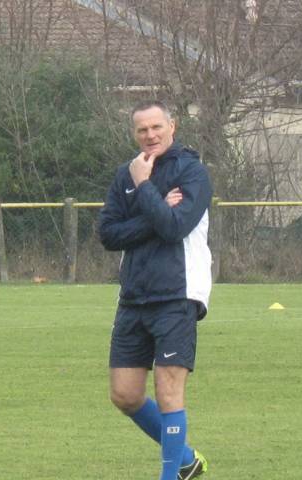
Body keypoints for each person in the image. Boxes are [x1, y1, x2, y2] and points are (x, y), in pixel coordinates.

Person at [99, 100, 213, 479]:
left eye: (156, 128)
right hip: (133, 297)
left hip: (178, 296)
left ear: (172, 127)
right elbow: (109, 234)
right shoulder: (125, 174)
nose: (149, 135)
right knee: (125, 394)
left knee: (168, 392)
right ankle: (185, 461)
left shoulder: (192, 172)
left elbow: (173, 228)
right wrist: (153, 205)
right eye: (142, 130)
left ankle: (170, 476)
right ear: (135, 133)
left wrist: (145, 188)